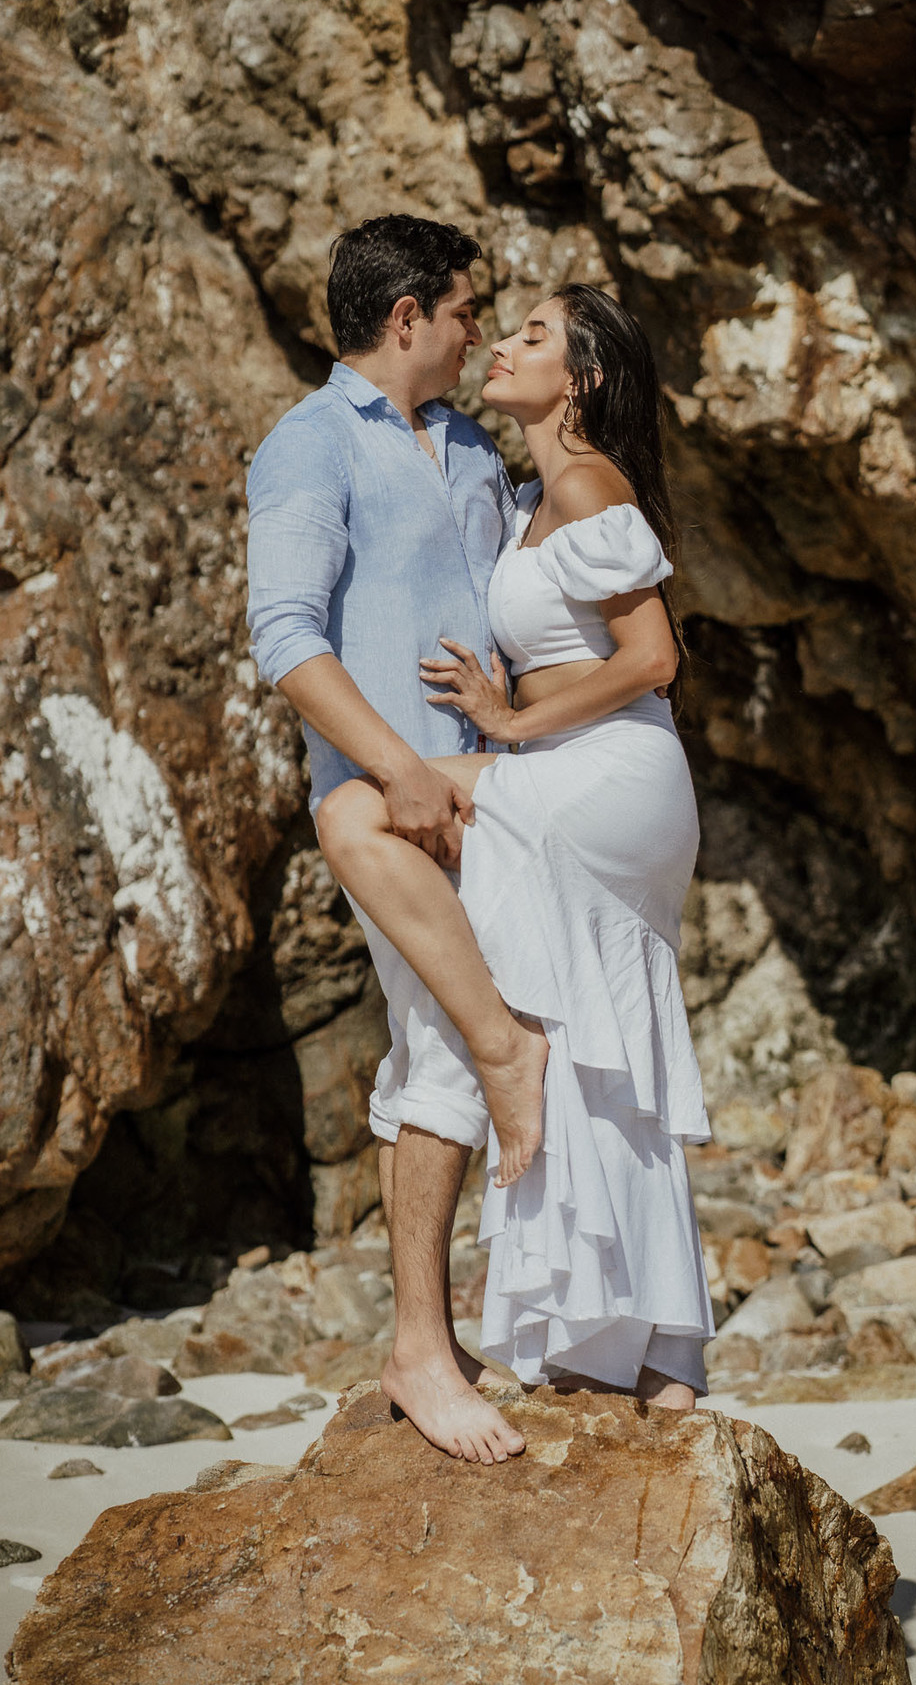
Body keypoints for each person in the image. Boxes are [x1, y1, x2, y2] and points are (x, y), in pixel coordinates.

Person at [319, 282, 714, 1412]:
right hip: (582, 774)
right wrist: (509, 708)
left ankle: (504, 1072)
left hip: (612, 773)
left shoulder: (588, 481)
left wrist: (510, 724)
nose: (504, 344)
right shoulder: (539, 489)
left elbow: (652, 658)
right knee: (593, 1034)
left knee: (355, 812)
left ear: (580, 378)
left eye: (534, 336)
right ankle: (647, 1357)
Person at [246, 213, 536, 1466]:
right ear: (409, 314)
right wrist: (398, 767)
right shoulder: (307, 447)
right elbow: (287, 639)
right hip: (394, 801)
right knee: (448, 1047)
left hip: (503, 790)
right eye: (469, 310)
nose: (479, 331)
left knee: (496, 1035)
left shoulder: (471, 445)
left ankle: (480, 1333)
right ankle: (421, 1348)